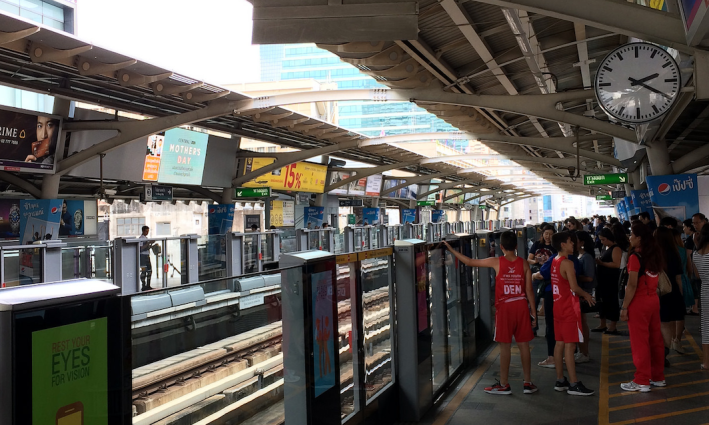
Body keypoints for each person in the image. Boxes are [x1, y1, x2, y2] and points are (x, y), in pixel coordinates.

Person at [444, 232, 538, 395]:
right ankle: (528, 383)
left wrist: (451, 249)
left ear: (501, 247)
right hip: (521, 306)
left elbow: (470, 262)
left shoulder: (496, 262)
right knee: (524, 346)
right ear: (516, 246)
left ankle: (504, 384)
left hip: (505, 310)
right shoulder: (524, 264)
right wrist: (534, 313)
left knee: (505, 347)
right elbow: (529, 290)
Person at [619, 223, 666, 392]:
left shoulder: (635, 257)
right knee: (655, 340)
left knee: (640, 342)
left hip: (639, 303)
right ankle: (657, 376)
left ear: (639, 238)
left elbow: (631, 286)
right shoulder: (654, 254)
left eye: (631, 235)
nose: (629, 238)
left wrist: (624, 308)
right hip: (653, 300)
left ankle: (642, 380)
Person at [550, 232, 595, 396]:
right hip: (569, 308)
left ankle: (560, 379)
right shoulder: (567, 263)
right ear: (563, 244)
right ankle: (574, 383)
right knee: (570, 346)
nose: (573, 245)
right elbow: (574, 287)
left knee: (559, 343)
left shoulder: (555, 260)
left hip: (557, 306)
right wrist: (587, 295)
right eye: (570, 242)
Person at [655, 227, 686, 361]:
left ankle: (661, 353)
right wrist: (680, 294)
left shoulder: (654, 254)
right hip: (673, 291)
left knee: (661, 324)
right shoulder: (675, 253)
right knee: (670, 323)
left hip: (658, 292)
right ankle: (668, 348)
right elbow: (679, 278)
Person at [594, 228, 622, 334]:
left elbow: (616, 264)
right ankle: (603, 324)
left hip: (610, 279)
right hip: (601, 279)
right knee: (601, 301)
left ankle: (612, 326)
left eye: (603, 239)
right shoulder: (605, 247)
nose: (602, 242)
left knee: (611, 302)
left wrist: (602, 264)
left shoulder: (616, 248)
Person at [575, 231, 597, 363]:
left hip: (584, 292)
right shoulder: (579, 256)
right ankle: (581, 351)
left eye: (575, 241)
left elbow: (589, 277)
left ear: (582, 243)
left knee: (582, 323)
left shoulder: (587, 257)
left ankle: (584, 352)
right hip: (580, 291)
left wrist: (572, 277)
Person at [691, 223, 709, 371]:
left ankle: (706, 362)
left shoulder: (696, 254)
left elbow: (697, 275)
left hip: (705, 292)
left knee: (706, 328)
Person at [683, 219, 701, 315]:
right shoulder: (697, 237)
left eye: (684, 227)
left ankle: (695, 308)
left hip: (694, 266)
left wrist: (689, 268)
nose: (683, 229)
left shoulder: (690, 239)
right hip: (699, 265)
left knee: (694, 286)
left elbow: (689, 255)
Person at [139, 226, 154, 291]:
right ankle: (144, 285)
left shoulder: (146, 238)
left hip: (147, 255)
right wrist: (148, 243)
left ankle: (148, 285)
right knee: (144, 271)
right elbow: (141, 248)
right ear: (143, 231)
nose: (147, 232)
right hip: (143, 256)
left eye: (148, 231)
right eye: (146, 231)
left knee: (149, 271)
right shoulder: (141, 238)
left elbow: (146, 247)